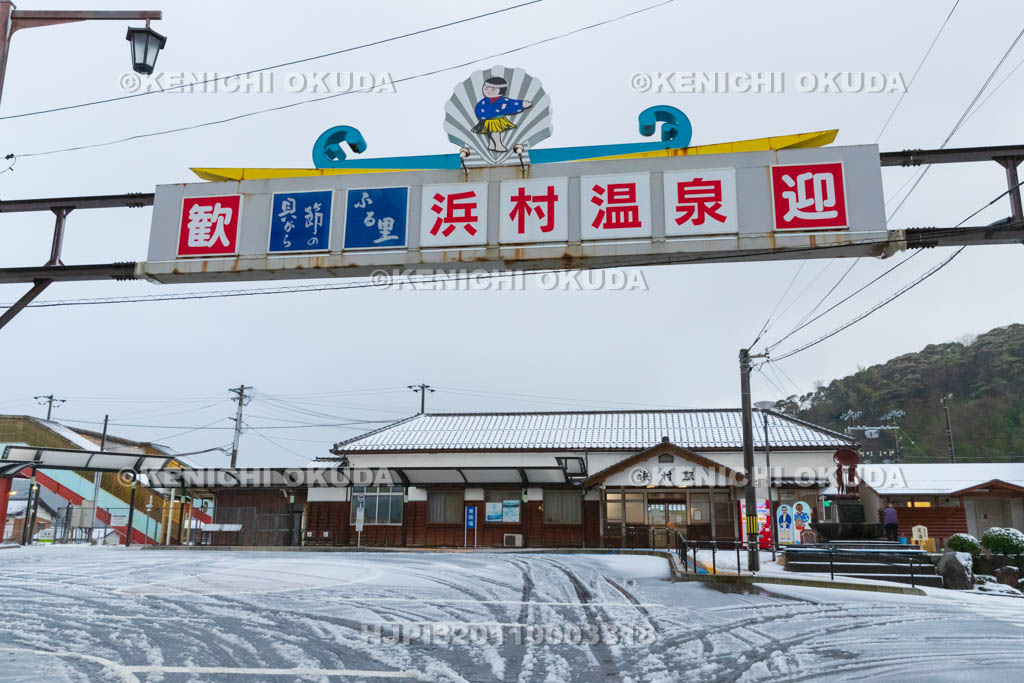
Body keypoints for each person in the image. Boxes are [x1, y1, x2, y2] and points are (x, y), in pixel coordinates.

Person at [472, 76, 532, 152]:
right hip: (490, 120)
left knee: (493, 132)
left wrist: (522, 104)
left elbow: (512, 103)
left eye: (492, 89)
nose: (488, 91)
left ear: (501, 91)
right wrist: (500, 109)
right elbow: (480, 110)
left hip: (498, 119)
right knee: (494, 132)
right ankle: (497, 145)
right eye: (486, 88)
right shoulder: (483, 102)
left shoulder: (503, 100)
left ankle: (493, 145)